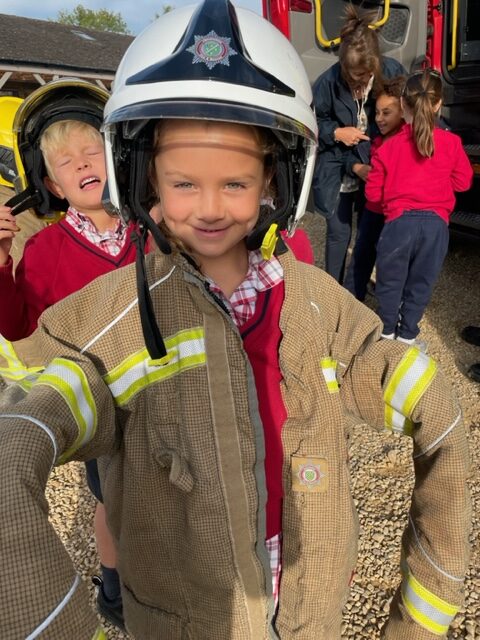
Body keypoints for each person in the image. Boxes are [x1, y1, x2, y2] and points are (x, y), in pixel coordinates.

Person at [0, 3, 470, 639]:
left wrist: (420, 617)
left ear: (278, 180)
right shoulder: (113, 316)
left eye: (237, 183)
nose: (212, 208)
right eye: (185, 184)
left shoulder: (313, 299)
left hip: (308, 608)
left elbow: (396, 379)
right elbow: (33, 419)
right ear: (143, 180)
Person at [0, 79, 131, 630]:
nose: (82, 164)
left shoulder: (153, 230)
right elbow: (16, 323)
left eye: (91, 150)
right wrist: (2, 256)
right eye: (65, 161)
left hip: (167, 390)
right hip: (104, 404)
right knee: (114, 501)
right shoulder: (47, 250)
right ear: (50, 182)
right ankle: (116, 593)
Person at [366, 69, 473, 346]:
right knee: (420, 285)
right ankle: (408, 337)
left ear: (403, 105)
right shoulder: (452, 143)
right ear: (438, 104)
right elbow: (463, 182)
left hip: (398, 225)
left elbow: (373, 194)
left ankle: (386, 335)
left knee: (390, 284)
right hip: (436, 228)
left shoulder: (387, 149)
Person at [312, 4, 405, 283]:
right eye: (351, 77)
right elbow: (313, 123)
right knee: (339, 231)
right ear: (341, 66)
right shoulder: (327, 82)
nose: (357, 83)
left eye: (363, 77)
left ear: (375, 65)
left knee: (370, 229)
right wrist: (337, 133)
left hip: (375, 163)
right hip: (337, 163)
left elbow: (407, 116)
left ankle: (358, 286)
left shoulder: (392, 71)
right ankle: (333, 289)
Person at [344, 76, 406, 301]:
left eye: (386, 113)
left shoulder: (407, 142)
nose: (379, 119)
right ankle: (352, 301)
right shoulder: (378, 140)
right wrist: (356, 166)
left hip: (396, 214)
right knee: (361, 256)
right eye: (377, 112)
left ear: (404, 110)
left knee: (390, 263)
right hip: (372, 210)